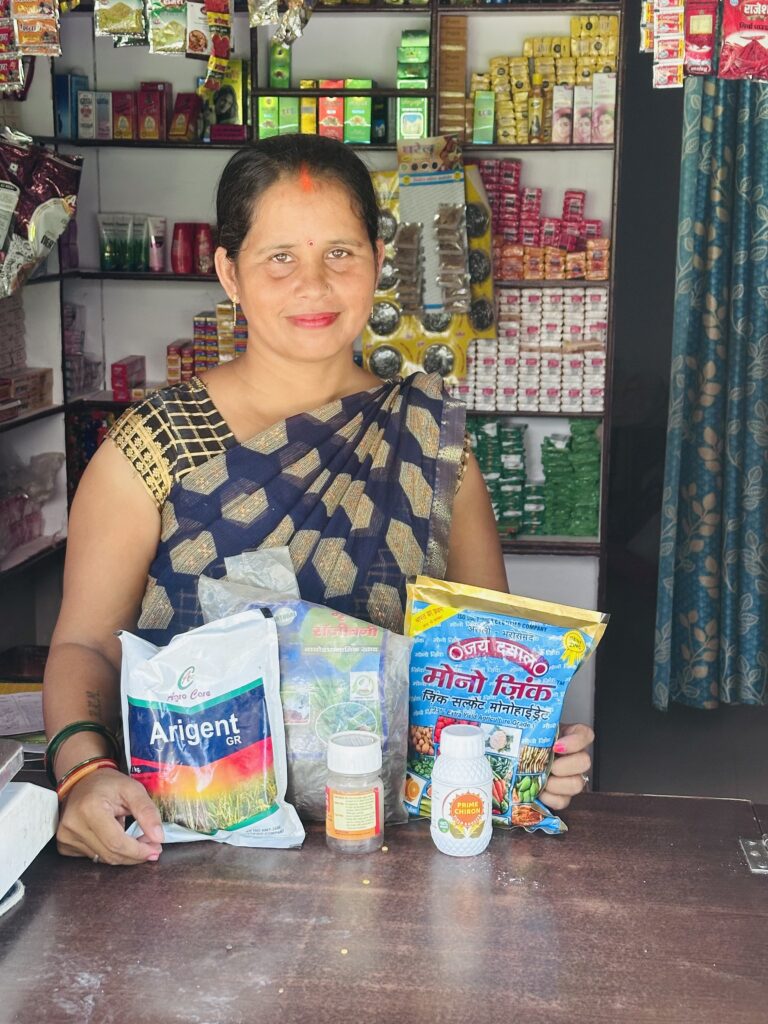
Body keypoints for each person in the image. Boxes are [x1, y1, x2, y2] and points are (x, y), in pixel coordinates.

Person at [43, 135, 594, 865]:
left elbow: (488, 673)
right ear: (229, 273)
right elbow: (84, 645)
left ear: (377, 259)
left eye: (340, 252)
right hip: (185, 845)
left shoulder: (434, 448)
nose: (313, 284)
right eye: (279, 258)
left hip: (388, 850)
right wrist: (83, 773)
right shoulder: (152, 447)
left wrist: (523, 756)